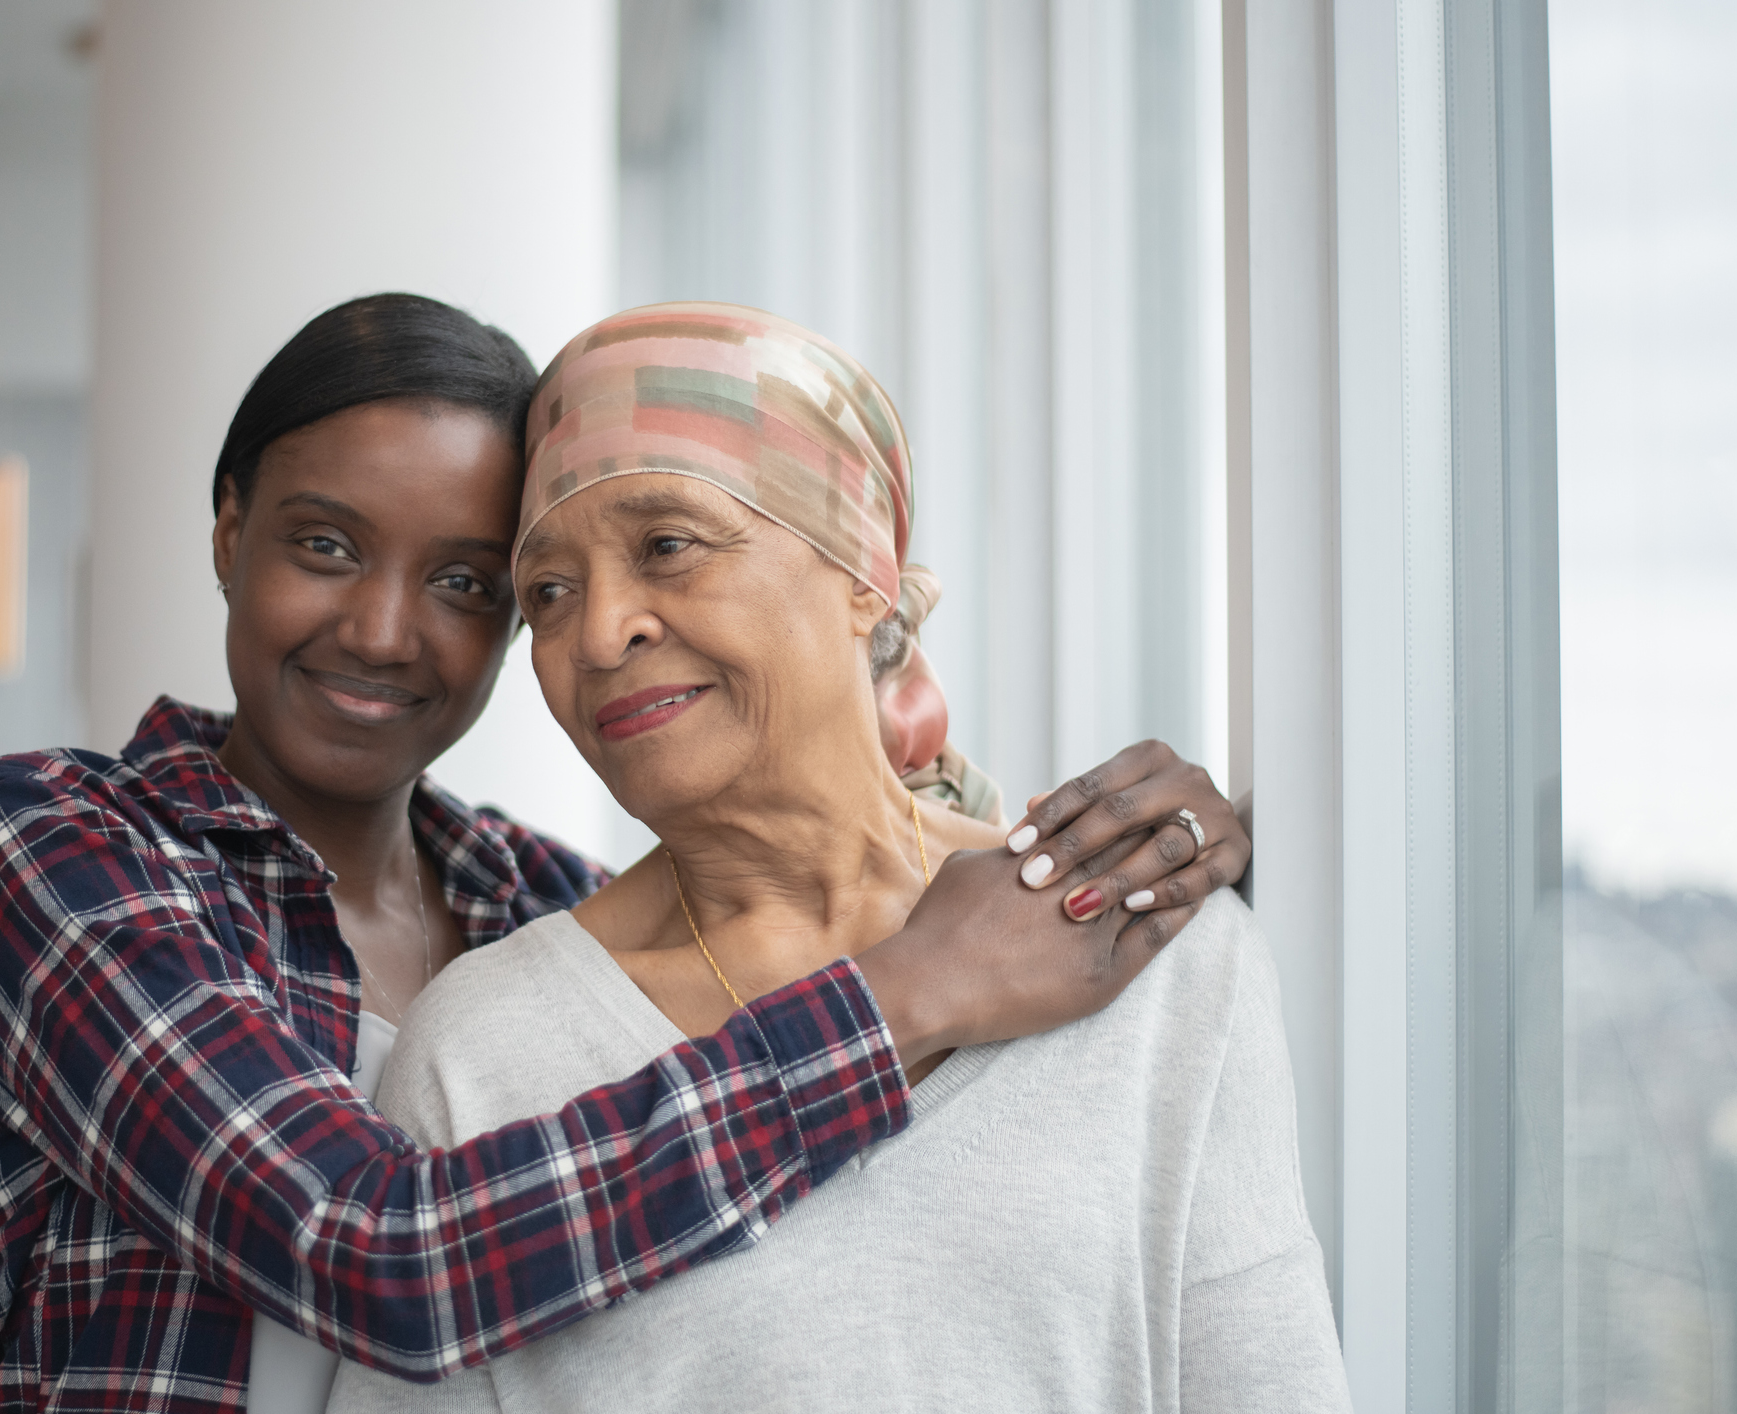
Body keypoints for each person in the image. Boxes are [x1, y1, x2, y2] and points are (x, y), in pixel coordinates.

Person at [0, 294, 1251, 1414]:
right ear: (228, 532)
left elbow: (826, 857)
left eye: (469, 583)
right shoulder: (59, 845)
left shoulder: (528, 898)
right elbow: (380, 1251)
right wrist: (920, 985)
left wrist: (1114, 845)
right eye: (324, 545)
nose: (384, 630)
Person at [326, 302, 1339, 1413]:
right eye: (549, 593)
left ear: (865, 568)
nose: (600, 632)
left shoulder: (1150, 949)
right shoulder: (483, 1050)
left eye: (668, 545)